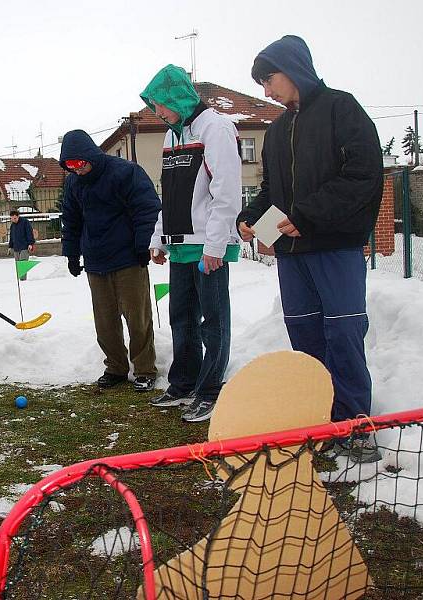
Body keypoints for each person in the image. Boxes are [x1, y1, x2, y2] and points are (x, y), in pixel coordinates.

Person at [236, 36, 383, 462]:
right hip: (292, 255)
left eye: (269, 79)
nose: (266, 91)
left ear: (293, 68)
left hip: (335, 247)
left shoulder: (342, 108)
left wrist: (310, 215)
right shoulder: (277, 130)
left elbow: (363, 175)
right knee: (305, 336)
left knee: (343, 334)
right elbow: (271, 189)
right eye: (262, 83)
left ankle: (356, 425)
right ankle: (320, 417)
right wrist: (249, 216)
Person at [140, 64, 242, 423]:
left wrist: (215, 246)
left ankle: (211, 389)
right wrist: (159, 238)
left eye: (161, 105)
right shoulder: (173, 135)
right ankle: (183, 383)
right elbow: (169, 192)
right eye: (154, 107)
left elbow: (226, 191)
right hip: (181, 245)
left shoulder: (216, 127)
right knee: (180, 317)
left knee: (212, 320)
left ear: (178, 97)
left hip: (208, 246)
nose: (158, 112)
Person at [59, 129, 161, 392]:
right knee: (105, 321)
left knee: (137, 317)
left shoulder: (125, 173)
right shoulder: (73, 184)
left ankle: (145, 369)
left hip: (128, 258)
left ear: (90, 155)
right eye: (70, 166)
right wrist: (72, 253)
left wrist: (142, 246)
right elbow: (71, 221)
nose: (77, 170)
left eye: (80, 163)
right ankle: (115, 367)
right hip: (96, 261)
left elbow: (146, 209)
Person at [8, 209, 36, 280]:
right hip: (16, 248)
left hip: (24, 247)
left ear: (18, 216)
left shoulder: (25, 222)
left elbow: (29, 233)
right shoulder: (12, 225)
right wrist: (10, 246)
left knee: (22, 264)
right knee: (18, 265)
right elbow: (11, 237)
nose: (13, 220)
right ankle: (20, 280)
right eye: (12, 219)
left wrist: (30, 244)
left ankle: (23, 281)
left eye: (15, 218)